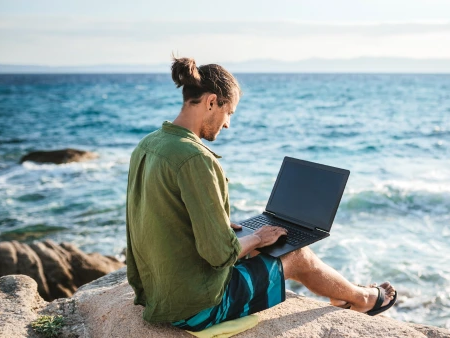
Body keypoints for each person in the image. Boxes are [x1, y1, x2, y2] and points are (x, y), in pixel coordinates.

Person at [125, 57, 397, 331]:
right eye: (228, 112)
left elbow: (151, 216)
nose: (228, 123)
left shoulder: (148, 144)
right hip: (196, 307)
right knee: (296, 255)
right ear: (211, 102)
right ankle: (365, 299)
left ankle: (344, 295)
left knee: (255, 248)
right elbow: (218, 255)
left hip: (155, 294)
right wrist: (256, 237)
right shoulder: (196, 159)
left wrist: (216, 227)